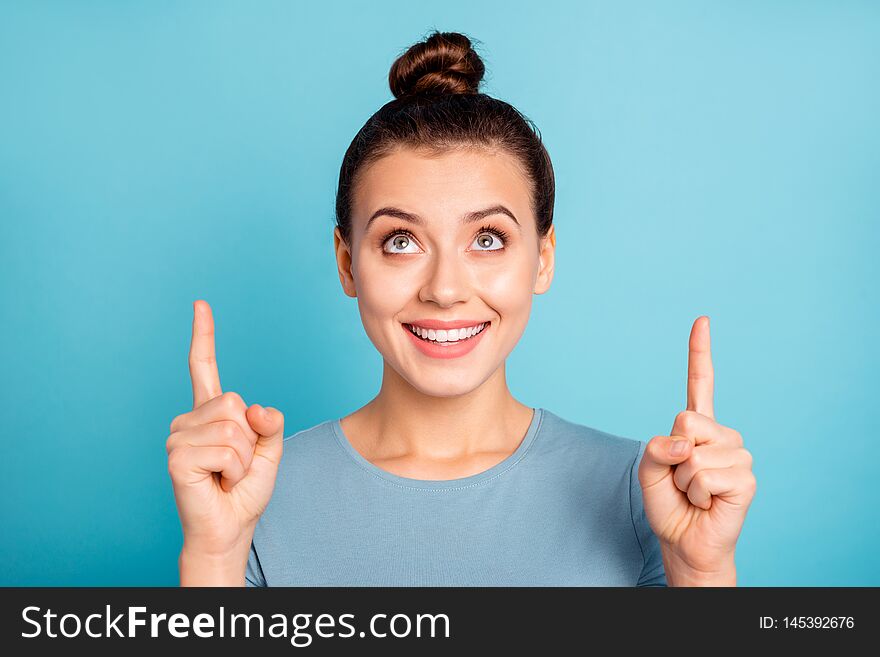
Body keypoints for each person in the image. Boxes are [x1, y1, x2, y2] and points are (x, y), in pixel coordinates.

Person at [167, 31, 756, 587]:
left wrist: (701, 572)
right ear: (347, 263)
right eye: (401, 241)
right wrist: (214, 555)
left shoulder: (647, 495)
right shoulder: (255, 494)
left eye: (488, 239)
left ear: (543, 258)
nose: (445, 289)